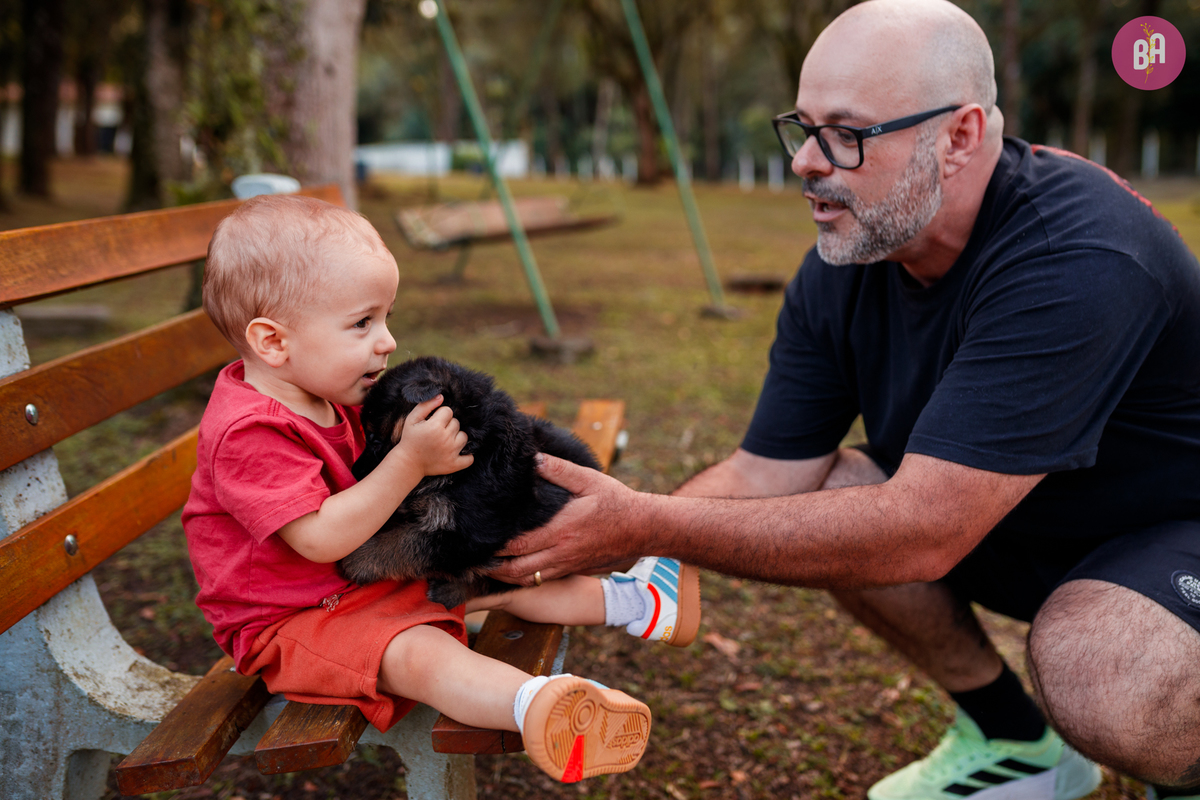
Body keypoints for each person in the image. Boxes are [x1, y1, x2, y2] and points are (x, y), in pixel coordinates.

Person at [491, 1, 1200, 798]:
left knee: (1099, 667)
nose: (805, 163)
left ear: (959, 137)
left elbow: (922, 532)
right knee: (834, 492)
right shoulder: (849, 261)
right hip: (1023, 521)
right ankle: (1014, 743)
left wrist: (647, 523)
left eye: (847, 134)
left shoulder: (1077, 255)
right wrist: (593, 530)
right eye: (803, 128)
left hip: (1172, 531)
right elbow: (767, 476)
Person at [180, 194, 702, 784]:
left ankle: (641, 601)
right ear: (273, 342)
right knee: (420, 655)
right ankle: (540, 708)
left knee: (498, 578)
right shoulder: (250, 432)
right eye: (361, 323)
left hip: (352, 589)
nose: (387, 341)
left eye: (386, 318)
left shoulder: (322, 391)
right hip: (291, 621)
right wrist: (409, 463)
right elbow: (320, 538)